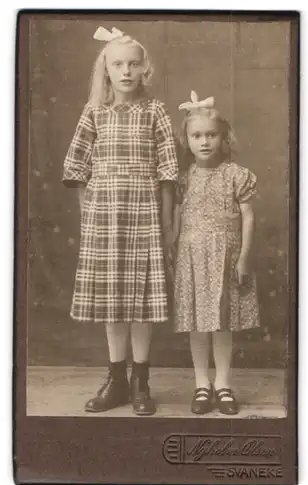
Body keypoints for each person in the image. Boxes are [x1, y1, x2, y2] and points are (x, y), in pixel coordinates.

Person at [62, 26, 178, 416]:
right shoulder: (93, 112)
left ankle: (140, 381)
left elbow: (167, 173)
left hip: (144, 215)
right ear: (106, 70)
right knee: (113, 304)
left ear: (145, 68)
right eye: (118, 64)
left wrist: (165, 223)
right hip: (103, 217)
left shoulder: (155, 111)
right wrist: (87, 213)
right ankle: (116, 381)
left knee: (141, 303)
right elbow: (78, 167)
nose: (126, 70)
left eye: (133, 63)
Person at [173, 91, 260, 415]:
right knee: (198, 324)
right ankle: (201, 384)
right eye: (197, 136)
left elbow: (248, 217)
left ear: (223, 137)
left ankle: (223, 384)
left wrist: (244, 258)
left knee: (223, 324)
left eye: (211, 135)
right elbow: (177, 218)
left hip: (226, 258)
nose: (204, 142)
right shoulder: (184, 178)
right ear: (187, 140)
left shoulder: (236, 175)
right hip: (193, 259)